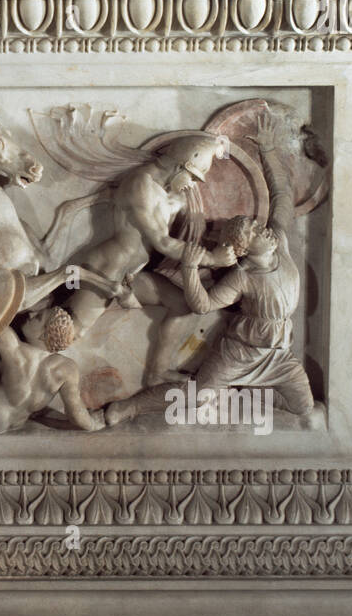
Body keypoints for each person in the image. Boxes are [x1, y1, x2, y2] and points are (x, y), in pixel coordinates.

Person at [109, 113, 319, 428]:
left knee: (303, 407)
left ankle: (235, 399)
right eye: (253, 229)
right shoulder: (243, 277)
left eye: (257, 226)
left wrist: (268, 151)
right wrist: (191, 267)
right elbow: (202, 305)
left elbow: (282, 197)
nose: (263, 229)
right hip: (241, 352)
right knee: (195, 396)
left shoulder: (282, 243)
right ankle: (127, 408)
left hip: (280, 356)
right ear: (243, 249)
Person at [65, 133, 237, 387]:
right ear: (181, 165)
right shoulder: (140, 184)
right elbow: (163, 243)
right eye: (192, 176)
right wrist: (212, 258)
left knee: (181, 304)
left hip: (130, 274)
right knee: (68, 332)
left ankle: (158, 371)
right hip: (106, 269)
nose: (192, 184)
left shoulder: (167, 190)